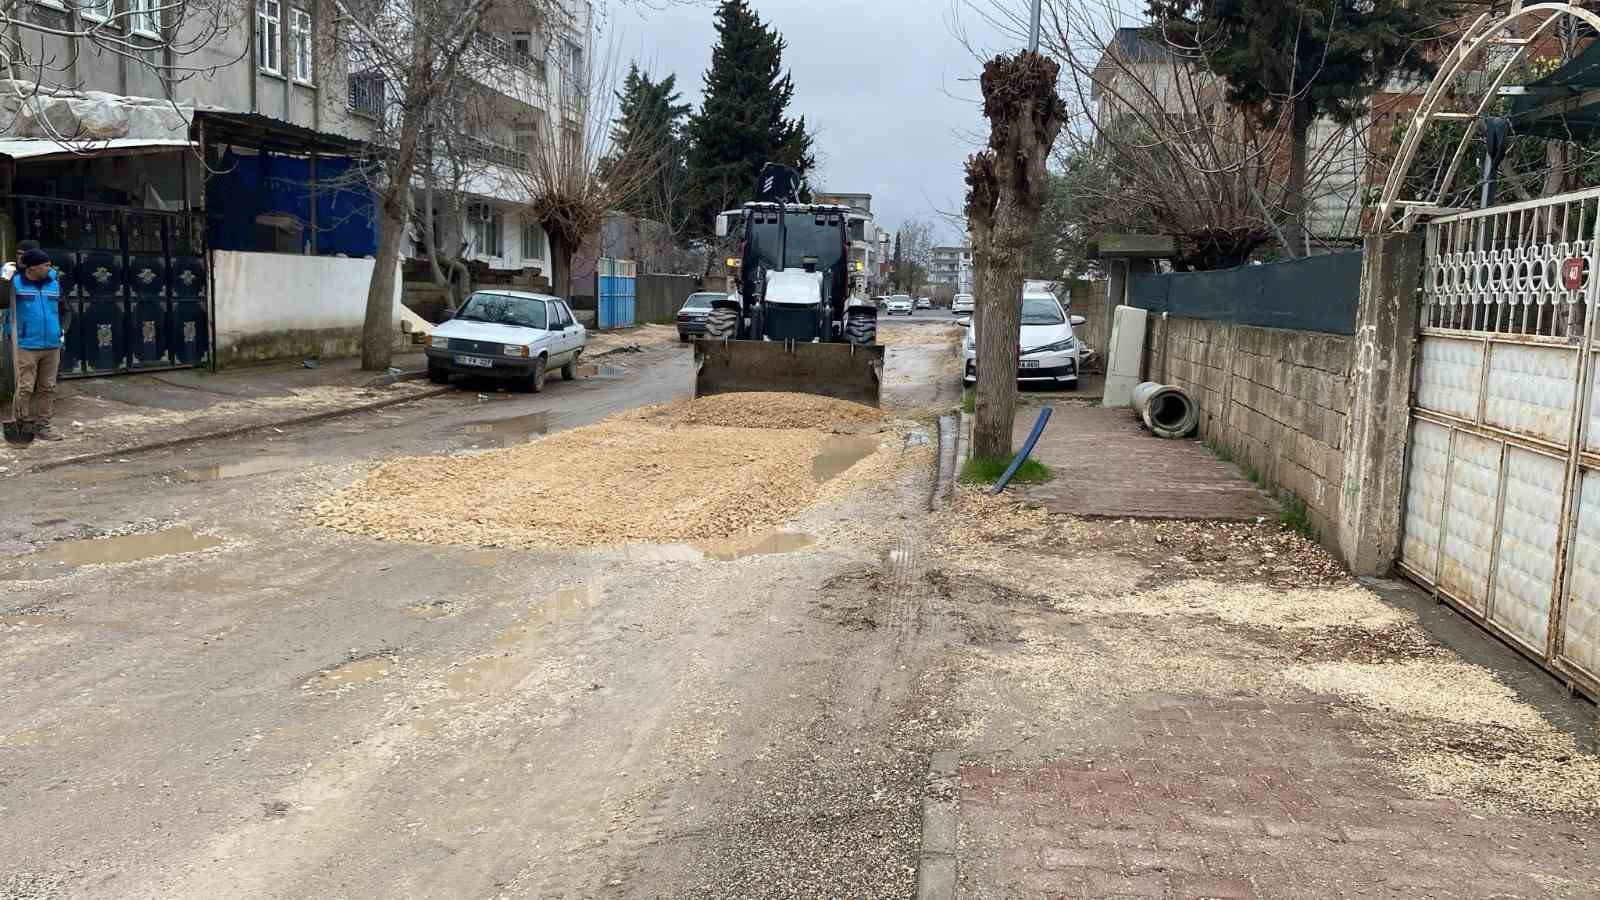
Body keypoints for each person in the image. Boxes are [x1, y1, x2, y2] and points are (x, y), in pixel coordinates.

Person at [2, 247, 66, 441]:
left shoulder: (53, 284)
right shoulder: (16, 284)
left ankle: (43, 425)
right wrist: (3, 280)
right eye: (45, 265)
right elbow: (1, 302)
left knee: (48, 386)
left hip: (52, 344)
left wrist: (62, 329)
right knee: (25, 387)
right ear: (32, 267)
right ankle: (21, 424)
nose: (49, 268)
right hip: (26, 344)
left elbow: (64, 308)